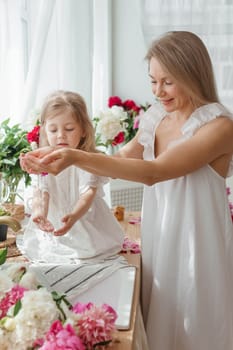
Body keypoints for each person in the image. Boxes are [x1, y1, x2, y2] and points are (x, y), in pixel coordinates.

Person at [20, 31, 233, 350]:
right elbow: (119, 158)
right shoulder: (158, 116)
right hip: (161, 237)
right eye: (152, 81)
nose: (158, 91)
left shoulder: (219, 127)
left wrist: (75, 157)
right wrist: (56, 158)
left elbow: (154, 172)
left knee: (198, 323)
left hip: (198, 245)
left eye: (168, 82)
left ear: (192, 74)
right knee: (162, 315)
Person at [21, 90, 124, 263]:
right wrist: (40, 212)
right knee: (48, 251)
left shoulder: (87, 160)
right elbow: (42, 190)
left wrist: (74, 215)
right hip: (55, 222)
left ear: (83, 130)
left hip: (83, 218)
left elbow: (88, 194)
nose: (61, 135)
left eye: (69, 129)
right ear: (45, 130)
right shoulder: (44, 159)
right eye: (53, 130)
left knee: (88, 250)